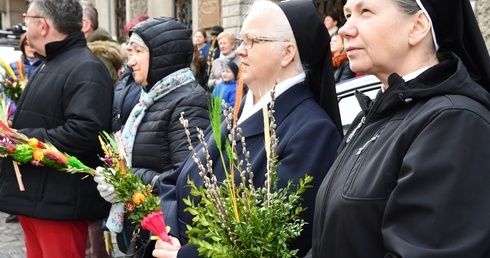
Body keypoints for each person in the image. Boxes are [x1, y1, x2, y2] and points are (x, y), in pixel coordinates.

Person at [153, 0, 343, 257]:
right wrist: (169, 235)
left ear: (287, 53)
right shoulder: (239, 111)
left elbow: (272, 238)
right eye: (241, 41)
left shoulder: (313, 131)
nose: (240, 51)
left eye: (251, 41)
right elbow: (175, 179)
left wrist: (184, 255)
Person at [310, 0, 490, 257]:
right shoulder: (372, 116)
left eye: (366, 12)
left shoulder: (454, 123)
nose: (345, 29)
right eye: (347, 15)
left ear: (417, 27)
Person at [0, 0, 114, 257]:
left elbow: (86, 131)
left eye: (27, 18)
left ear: (43, 25)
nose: (24, 24)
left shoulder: (86, 67)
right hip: (38, 201)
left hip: (59, 203)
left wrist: (23, 140)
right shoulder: (51, 62)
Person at [94, 16, 210, 256]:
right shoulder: (150, 98)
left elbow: (187, 179)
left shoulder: (188, 102)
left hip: (165, 235)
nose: (130, 60)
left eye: (138, 51)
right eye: (130, 50)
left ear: (161, 56)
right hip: (145, 227)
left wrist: (124, 180)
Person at [3, 32, 42, 224]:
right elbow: (6, 91)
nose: (30, 48)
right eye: (26, 44)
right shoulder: (15, 66)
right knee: (14, 159)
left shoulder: (43, 65)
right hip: (15, 117)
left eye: (32, 44)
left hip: (34, 119)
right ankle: (15, 204)